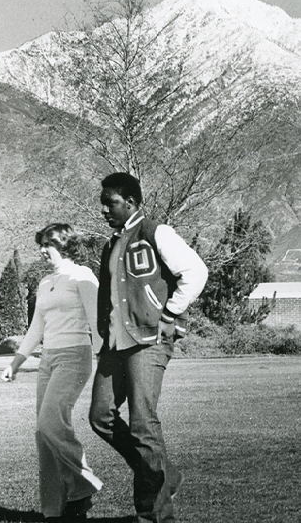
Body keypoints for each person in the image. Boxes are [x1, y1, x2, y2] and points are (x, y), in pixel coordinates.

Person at [89, 172, 208, 523]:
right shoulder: (112, 243)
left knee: (142, 423)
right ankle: (162, 473)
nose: (104, 210)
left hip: (149, 340)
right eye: (103, 204)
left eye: (110, 203)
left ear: (131, 202)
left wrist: (170, 314)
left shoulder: (156, 232)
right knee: (100, 416)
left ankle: (155, 515)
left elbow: (195, 272)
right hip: (115, 343)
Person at [2, 224, 103, 522]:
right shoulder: (45, 282)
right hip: (48, 359)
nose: (43, 249)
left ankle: (82, 489)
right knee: (42, 433)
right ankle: (54, 510)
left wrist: (105, 360)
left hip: (75, 356)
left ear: (64, 243)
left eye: (48, 243)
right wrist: (16, 362)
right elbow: (37, 327)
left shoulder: (82, 275)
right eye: (41, 244)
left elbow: (96, 320)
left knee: (50, 423)